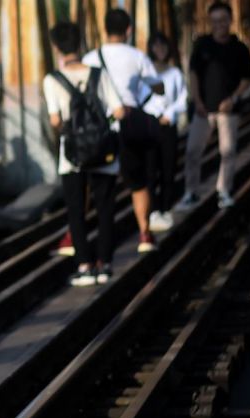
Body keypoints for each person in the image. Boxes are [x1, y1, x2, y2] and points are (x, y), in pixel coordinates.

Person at [43, 21, 125, 286]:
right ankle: (104, 264)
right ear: (80, 44)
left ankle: (84, 265)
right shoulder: (99, 74)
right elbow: (119, 110)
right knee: (105, 208)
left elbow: (55, 120)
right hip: (103, 150)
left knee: (76, 210)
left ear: (57, 47)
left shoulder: (52, 80)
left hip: (73, 155)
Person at [83, 8, 164, 253]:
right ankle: (144, 233)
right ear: (128, 30)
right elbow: (158, 87)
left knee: (100, 186)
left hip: (101, 130)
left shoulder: (90, 58)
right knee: (138, 183)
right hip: (129, 127)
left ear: (105, 29)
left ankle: (85, 238)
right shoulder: (137, 56)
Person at [178, 1, 250, 211]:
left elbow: (248, 77)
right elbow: (193, 74)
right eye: (214, 21)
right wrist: (197, 100)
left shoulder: (239, 48)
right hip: (203, 110)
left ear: (230, 21)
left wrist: (233, 98)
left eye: (223, 20)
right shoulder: (202, 45)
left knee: (228, 151)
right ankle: (190, 192)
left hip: (228, 110)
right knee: (192, 151)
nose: (219, 25)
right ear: (210, 22)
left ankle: (223, 190)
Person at [143, 32, 188, 233]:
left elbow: (183, 98)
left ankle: (166, 206)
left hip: (169, 125)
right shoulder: (145, 73)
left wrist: (169, 113)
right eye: (155, 46)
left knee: (168, 167)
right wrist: (153, 115)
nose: (159, 50)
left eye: (163, 46)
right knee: (150, 169)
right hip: (150, 126)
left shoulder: (175, 73)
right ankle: (153, 211)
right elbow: (140, 98)